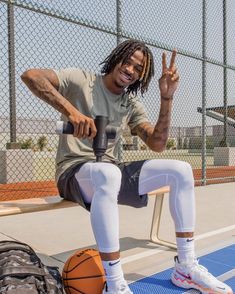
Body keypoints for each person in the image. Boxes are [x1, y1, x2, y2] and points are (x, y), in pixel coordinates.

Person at [21, 39, 233, 294]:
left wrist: (167, 98)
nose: (130, 69)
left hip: (110, 171)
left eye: (138, 68)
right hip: (74, 172)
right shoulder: (81, 81)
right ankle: (115, 284)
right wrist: (72, 112)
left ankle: (185, 267)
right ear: (116, 58)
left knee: (180, 170)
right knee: (108, 174)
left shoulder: (130, 105)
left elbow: (157, 143)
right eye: (128, 61)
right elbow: (31, 76)